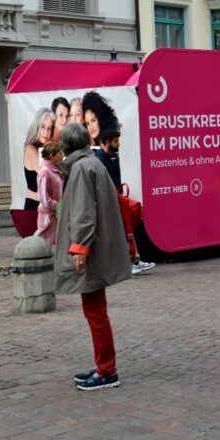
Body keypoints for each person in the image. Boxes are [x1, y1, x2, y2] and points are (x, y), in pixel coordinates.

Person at [55, 123, 132, 391]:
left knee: (96, 312)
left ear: (66, 145)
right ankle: (104, 365)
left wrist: (80, 248)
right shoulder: (92, 163)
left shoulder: (80, 168)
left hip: (91, 250)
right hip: (98, 246)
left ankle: (107, 370)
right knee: (96, 311)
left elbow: (83, 212)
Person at [23, 107, 55, 210]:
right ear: (36, 126)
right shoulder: (30, 149)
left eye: (49, 128)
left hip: (45, 209)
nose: (46, 132)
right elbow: (53, 177)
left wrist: (29, 193)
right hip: (34, 210)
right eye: (43, 127)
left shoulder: (44, 149)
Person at [34, 142, 64, 246]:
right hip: (47, 214)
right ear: (52, 155)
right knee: (42, 244)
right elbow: (43, 197)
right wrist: (57, 206)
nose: (63, 155)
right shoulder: (44, 171)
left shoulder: (57, 170)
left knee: (51, 245)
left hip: (55, 212)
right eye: (60, 153)